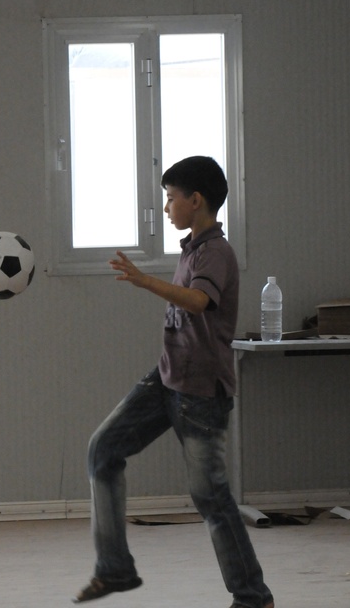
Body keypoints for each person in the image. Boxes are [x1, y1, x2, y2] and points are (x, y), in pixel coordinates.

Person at [74, 156, 274, 608]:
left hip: (201, 392)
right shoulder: (193, 249)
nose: (166, 208)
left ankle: (253, 597)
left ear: (195, 200)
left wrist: (146, 282)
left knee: (211, 498)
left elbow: (200, 301)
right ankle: (114, 570)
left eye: (170, 198)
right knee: (102, 449)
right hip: (167, 379)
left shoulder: (216, 253)